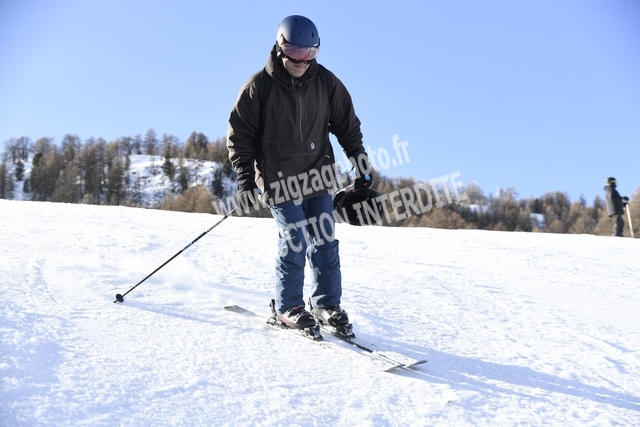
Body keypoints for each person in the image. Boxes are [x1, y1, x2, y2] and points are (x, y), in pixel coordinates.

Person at [227, 15, 372, 330]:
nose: (301, 61)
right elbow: (240, 138)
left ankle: (326, 305)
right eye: (295, 52)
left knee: (324, 240)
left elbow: (348, 127)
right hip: (278, 179)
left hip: (317, 176)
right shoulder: (258, 87)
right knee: (295, 239)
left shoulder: (327, 83)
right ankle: (288, 306)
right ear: (281, 46)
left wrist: (360, 165)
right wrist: (245, 181)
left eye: (310, 54)